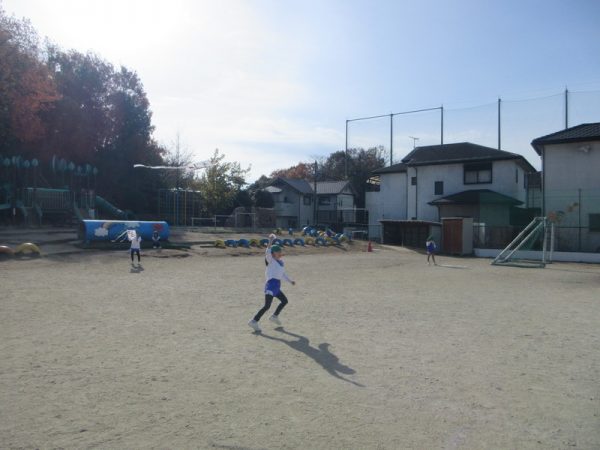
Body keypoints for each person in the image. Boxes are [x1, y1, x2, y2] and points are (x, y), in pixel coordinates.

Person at [248, 235, 295, 332]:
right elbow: (267, 252)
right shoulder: (271, 261)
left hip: (277, 286)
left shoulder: (280, 263)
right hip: (271, 285)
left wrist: (290, 281)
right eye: (278, 252)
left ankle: (274, 316)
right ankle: (254, 321)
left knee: (284, 301)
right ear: (273, 254)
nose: (280, 253)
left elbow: (282, 274)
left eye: (280, 252)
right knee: (267, 306)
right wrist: (270, 241)